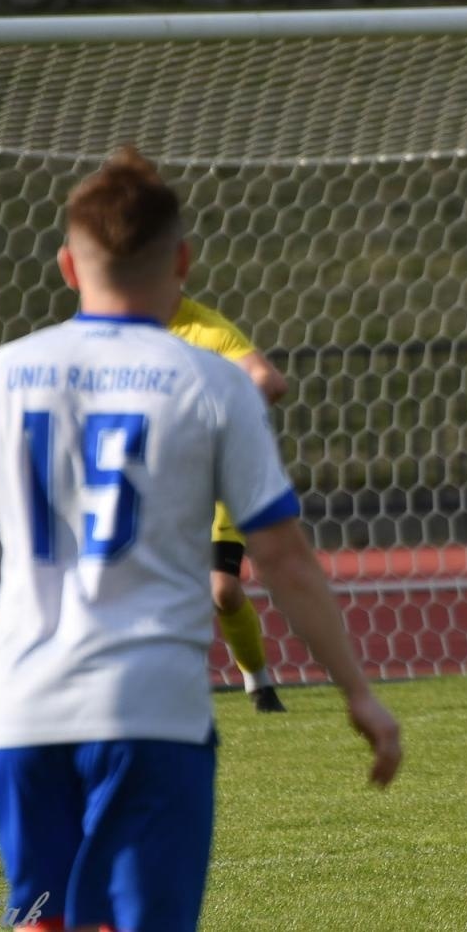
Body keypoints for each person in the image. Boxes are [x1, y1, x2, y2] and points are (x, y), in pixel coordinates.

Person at [0, 147, 402, 932]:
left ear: (68, 265)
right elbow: (286, 559)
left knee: (40, 922)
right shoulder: (213, 382)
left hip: (23, 710)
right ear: (184, 261)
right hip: (151, 711)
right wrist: (356, 691)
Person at [167, 295, 291, 713]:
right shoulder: (116, 333)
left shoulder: (206, 330)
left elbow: (268, 380)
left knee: (222, 589)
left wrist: (213, 426)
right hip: (156, 481)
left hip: (217, 477)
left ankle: (258, 684)